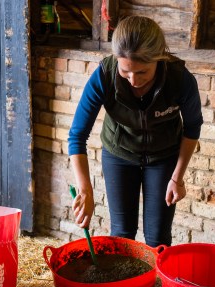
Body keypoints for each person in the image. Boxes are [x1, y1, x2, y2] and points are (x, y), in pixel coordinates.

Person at [68, 16, 203, 247]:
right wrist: (85, 190)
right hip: (119, 154)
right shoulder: (104, 76)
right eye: (125, 71)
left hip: (164, 156)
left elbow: (192, 128)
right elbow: (77, 136)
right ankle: (126, 284)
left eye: (142, 72)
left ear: (159, 59)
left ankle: (156, 283)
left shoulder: (180, 80)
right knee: (122, 233)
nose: (133, 80)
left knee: (158, 237)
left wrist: (177, 178)